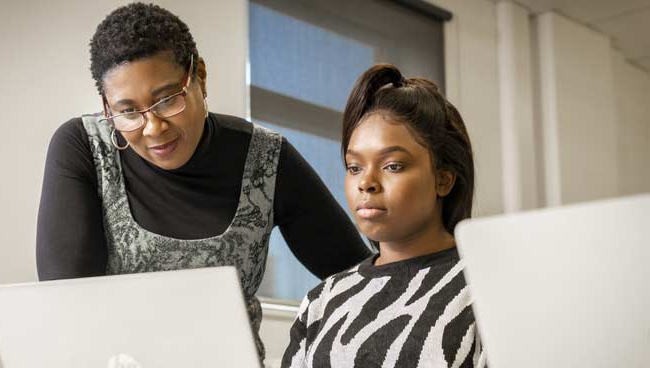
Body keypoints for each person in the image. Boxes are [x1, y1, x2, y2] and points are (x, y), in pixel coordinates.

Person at [35, 2, 371, 360]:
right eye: (128, 111)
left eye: (166, 99)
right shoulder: (83, 147)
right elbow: (67, 306)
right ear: (107, 108)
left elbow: (358, 277)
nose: (153, 128)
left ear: (200, 77)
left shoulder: (267, 160)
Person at [281, 64, 486, 367]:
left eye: (393, 165)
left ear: (443, 179)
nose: (366, 182)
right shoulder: (322, 301)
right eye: (354, 167)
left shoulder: (484, 288)